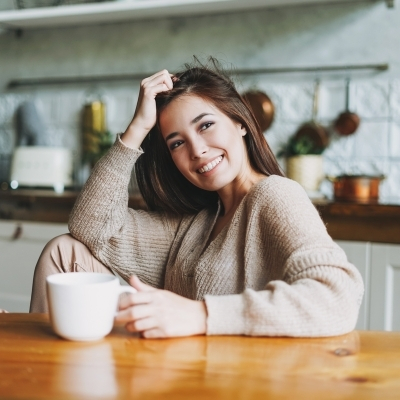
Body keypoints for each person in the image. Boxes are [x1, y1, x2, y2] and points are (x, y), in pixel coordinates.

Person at [30, 58, 364, 338]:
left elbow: (337, 296)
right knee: (64, 250)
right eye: (177, 142)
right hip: (181, 372)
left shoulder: (274, 194)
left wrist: (201, 315)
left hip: (242, 383)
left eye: (205, 125)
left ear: (240, 122)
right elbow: (90, 227)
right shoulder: (199, 220)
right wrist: (137, 129)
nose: (197, 150)